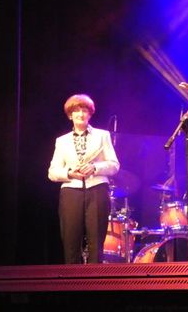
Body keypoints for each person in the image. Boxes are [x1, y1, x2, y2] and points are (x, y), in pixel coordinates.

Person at [48, 94, 119, 264]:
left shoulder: (102, 135)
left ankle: (95, 280)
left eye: (84, 110)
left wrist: (95, 167)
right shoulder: (62, 141)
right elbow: (52, 172)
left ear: (90, 114)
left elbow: (114, 165)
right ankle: (72, 280)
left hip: (97, 190)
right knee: (70, 243)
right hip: (71, 192)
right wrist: (70, 173)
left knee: (96, 244)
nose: (80, 114)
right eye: (76, 111)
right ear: (70, 115)